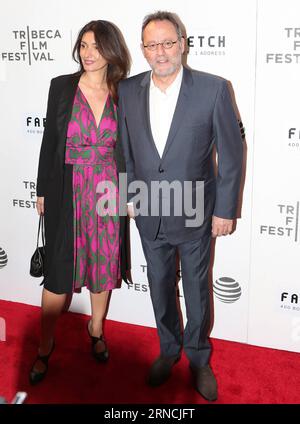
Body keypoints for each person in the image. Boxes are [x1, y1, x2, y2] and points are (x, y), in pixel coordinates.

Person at [118, 11, 244, 401]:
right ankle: (168, 350)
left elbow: (232, 152)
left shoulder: (213, 89)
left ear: (183, 43)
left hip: (195, 210)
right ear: (143, 50)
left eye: (168, 42)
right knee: (158, 285)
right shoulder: (126, 90)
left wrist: (225, 210)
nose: (161, 52)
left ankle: (199, 358)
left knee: (195, 289)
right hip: (148, 210)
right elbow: (123, 149)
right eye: (152, 45)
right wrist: (126, 195)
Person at [29, 20, 131, 385]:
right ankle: (45, 343)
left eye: (96, 46)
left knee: (103, 262)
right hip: (66, 187)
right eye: (84, 45)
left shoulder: (126, 92)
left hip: (107, 189)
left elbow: (131, 149)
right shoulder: (62, 87)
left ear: (111, 51)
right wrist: (42, 188)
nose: (88, 53)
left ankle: (96, 329)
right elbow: (49, 140)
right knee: (59, 271)